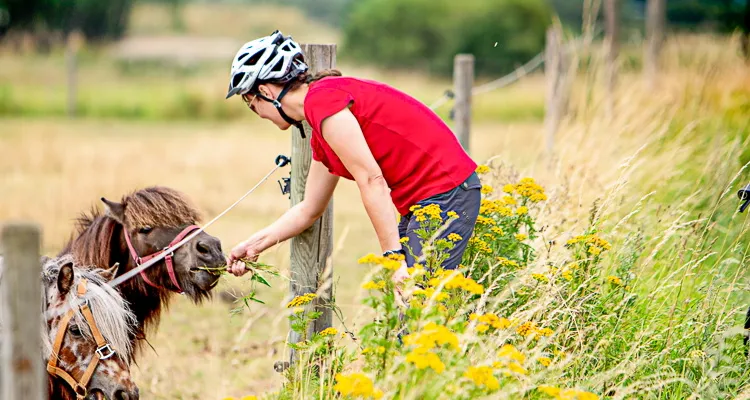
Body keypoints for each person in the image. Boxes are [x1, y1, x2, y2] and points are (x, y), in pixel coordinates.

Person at [224, 30, 481, 282]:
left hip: (446, 192)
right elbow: (309, 209)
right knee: (415, 310)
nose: (255, 111)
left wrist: (392, 259)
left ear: (266, 92)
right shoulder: (322, 122)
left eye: (250, 101)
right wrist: (253, 246)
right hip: (430, 199)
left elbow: (371, 179)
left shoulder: (323, 102)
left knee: (418, 305)